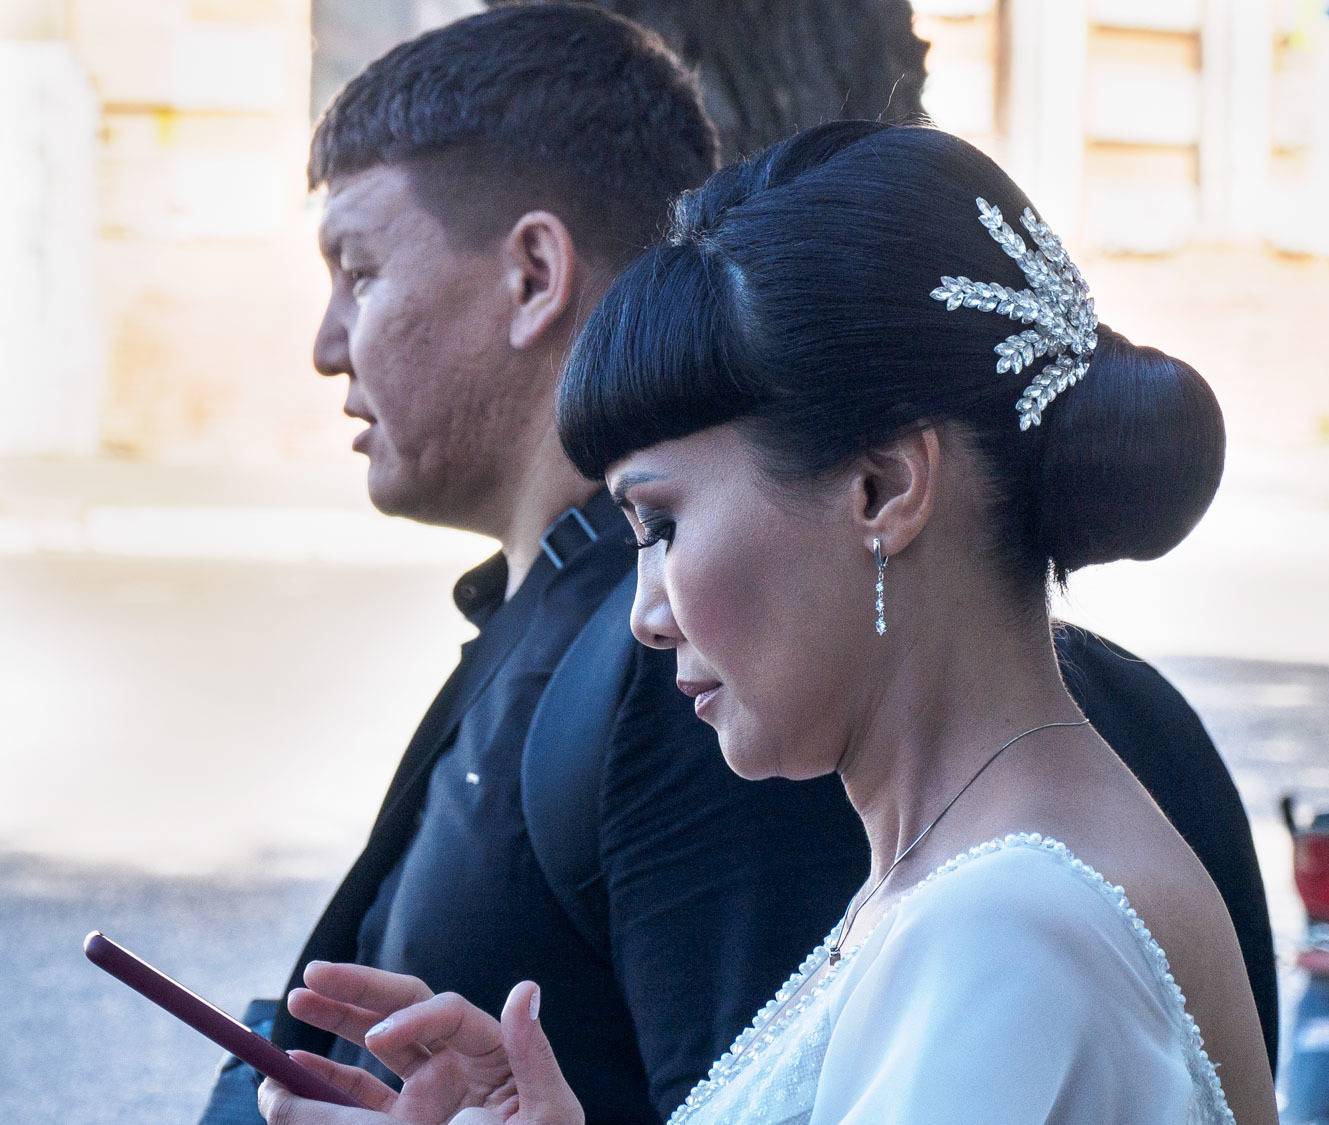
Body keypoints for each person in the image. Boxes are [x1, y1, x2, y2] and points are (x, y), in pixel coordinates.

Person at [259, 121, 1280, 1123]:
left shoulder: (1006, 922)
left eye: (663, 524)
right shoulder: (964, 872)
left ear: (883, 488)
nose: (647, 615)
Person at [197, 8, 872, 1124]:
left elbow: (765, 1102)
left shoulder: (686, 657)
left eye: (360, 273)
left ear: (533, 276)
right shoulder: (556, 606)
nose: (327, 345)